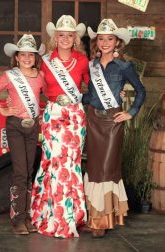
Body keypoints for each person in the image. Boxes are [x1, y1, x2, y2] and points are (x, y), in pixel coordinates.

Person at [83, 18, 146, 238]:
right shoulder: (91, 65)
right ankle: (93, 216)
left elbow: (141, 91)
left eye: (110, 39)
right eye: (101, 38)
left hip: (112, 121)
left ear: (117, 42)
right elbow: (90, 95)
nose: (105, 42)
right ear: (96, 42)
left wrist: (131, 112)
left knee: (106, 169)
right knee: (93, 167)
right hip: (92, 119)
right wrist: (70, 99)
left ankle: (102, 220)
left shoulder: (125, 66)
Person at [30, 15, 89, 238]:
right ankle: (48, 215)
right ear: (56, 38)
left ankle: (70, 216)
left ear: (75, 38)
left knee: (71, 163)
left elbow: (92, 88)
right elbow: (35, 84)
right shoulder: (45, 61)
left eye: (69, 35)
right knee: (52, 162)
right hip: (53, 114)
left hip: (74, 117)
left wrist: (117, 93)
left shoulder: (83, 60)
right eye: (61, 34)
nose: (65, 38)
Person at [0, 34, 45, 235]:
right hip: (16, 127)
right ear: (16, 57)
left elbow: (51, 93)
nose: (27, 58)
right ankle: (18, 219)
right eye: (23, 54)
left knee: (29, 171)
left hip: (33, 127)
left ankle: (26, 216)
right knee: (20, 172)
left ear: (35, 57)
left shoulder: (41, 76)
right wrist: (0, 109)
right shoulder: (10, 76)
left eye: (31, 54)